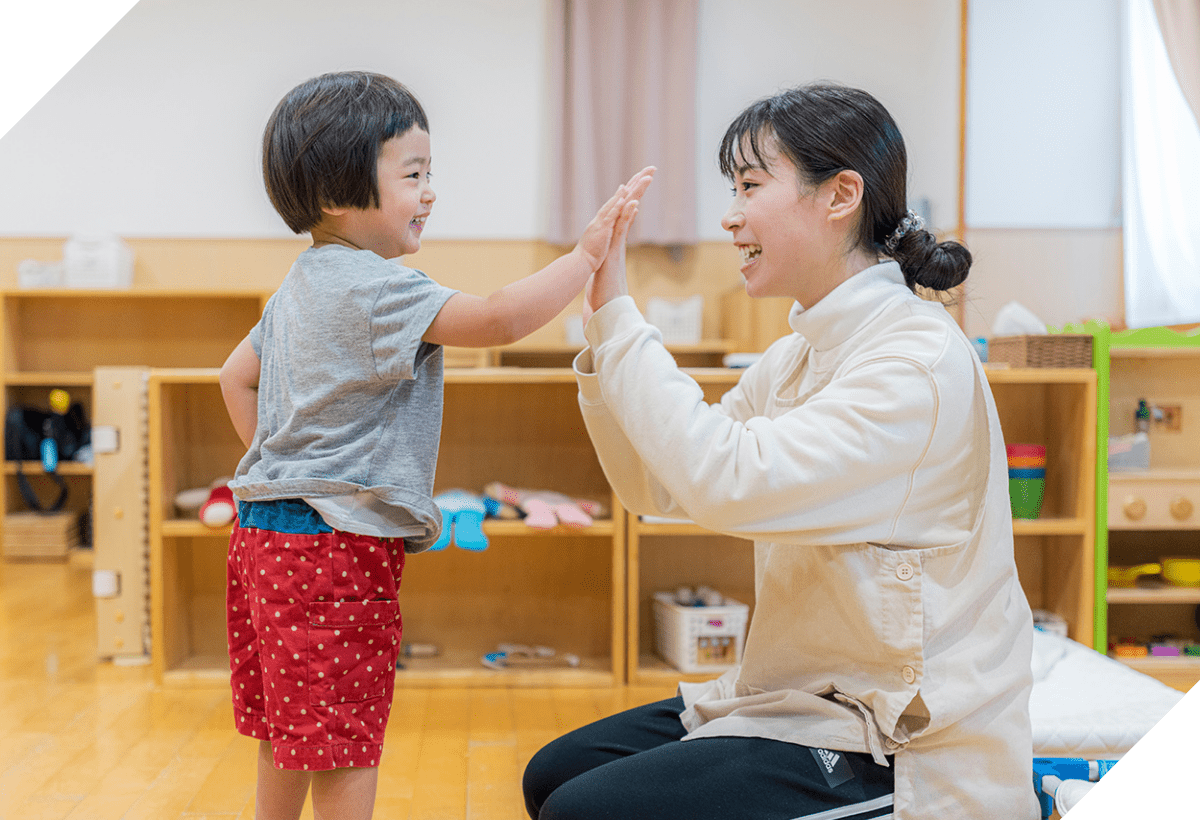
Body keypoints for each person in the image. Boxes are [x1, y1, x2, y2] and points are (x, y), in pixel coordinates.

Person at [523, 83, 1040, 820]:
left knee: (586, 811)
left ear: (840, 196)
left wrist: (620, 317)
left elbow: (726, 480)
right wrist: (606, 339)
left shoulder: (914, 365)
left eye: (750, 187)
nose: (730, 216)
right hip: (796, 701)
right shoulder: (799, 355)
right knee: (557, 774)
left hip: (896, 737)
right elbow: (660, 489)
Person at [219, 70, 652, 820]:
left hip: (262, 536)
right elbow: (497, 321)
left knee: (290, 725)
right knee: (346, 736)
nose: (430, 192)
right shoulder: (374, 285)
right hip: (333, 547)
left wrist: (284, 465)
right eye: (413, 174)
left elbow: (234, 376)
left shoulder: (298, 286)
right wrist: (584, 259)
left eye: (430, 173)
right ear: (335, 193)